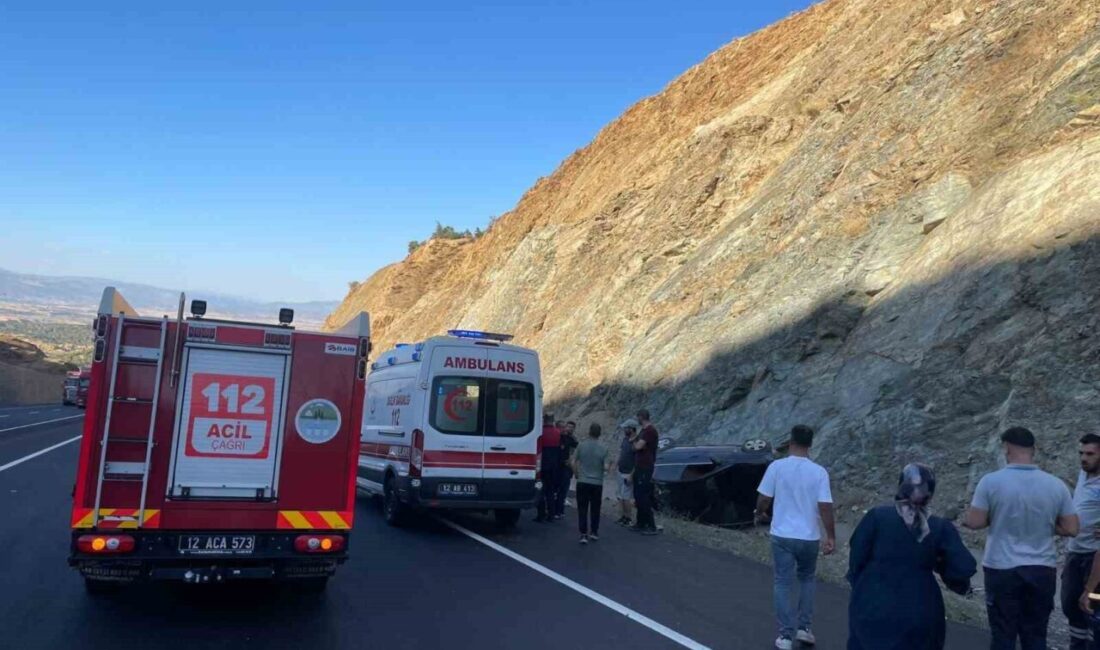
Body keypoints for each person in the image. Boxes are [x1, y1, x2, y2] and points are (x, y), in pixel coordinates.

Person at [965, 426, 1079, 650]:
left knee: (1003, 635)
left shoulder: (991, 482)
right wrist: (1045, 524)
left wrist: (996, 516)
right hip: (1041, 569)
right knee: (1035, 636)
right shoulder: (1056, 485)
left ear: (1006, 448)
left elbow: (975, 522)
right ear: (1033, 450)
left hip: (1001, 568)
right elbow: (1072, 528)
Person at [847, 463, 977, 649]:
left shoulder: (877, 517)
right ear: (930, 493)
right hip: (920, 606)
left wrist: (861, 585)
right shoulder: (939, 527)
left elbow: (856, 558)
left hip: (872, 601)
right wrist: (962, 586)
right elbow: (961, 568)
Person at [756, 424, 836, 650]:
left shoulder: (777, 467)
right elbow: (825, 506)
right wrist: (830, 536)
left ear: (790, 442)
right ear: (810, 445)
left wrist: (760, 513)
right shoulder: (819, 472)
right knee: (807, 579)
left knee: (782, 582)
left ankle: (785, 636)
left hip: (782, 535)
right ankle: (805, 629)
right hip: (809, 536)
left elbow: (764, 498)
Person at [1062, 434, 1100, 649]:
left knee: (1093, 605)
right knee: (1070, 604)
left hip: (1095, 558)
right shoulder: (1083, 474)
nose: (1084, 458)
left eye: (1090, 454)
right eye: (1081, 453)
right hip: (1075, 552)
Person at [573, 422, 611, 544]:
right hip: (597, 482)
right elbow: (606, 467)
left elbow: (573, 461)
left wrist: (576, 473)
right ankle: (594, 532)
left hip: (583, 481)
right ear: (600, 433)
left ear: (589, 432)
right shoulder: (604, 448)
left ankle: (583, 534)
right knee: (595, 508)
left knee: (582, 508)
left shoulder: (581, 445)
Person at [631, 409, 659, 535]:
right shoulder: (643, 431)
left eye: (638, 417)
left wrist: (634, 440)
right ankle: (640, 523)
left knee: (643, 496)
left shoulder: (649, 431)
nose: (637, 419)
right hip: (640, 466)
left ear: (641, 417)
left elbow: (637, 446)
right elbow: (636, 447)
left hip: (645, 466)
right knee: (638, 495)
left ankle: (651, 525)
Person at [534, 414, 562, 523]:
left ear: (544, 420)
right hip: (553, 466)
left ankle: (541, 514)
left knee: (540, 490)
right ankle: (551, 514)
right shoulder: (557, 433)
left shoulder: (540, 432)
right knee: (550, 491)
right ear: (553, 420)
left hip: (542, 465)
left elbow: (538, 450)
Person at [616, 419, 638, 526]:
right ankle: (624, 516)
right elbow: (621, 453)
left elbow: (637, 460)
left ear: (631, 429)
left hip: (628, 472)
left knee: (626, 497)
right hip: (621, 470)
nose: (624, 430)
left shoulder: (636, 442)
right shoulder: (625, 439)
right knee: (621, 495)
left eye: (626, 428)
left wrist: (631, 474)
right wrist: (616, 465)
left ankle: (628, 518)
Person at [556, 421, 579, 520]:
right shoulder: (560, 438)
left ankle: (559, 510)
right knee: (559, 489)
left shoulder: (573, 440)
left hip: (568, 468)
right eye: (568, 427)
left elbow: (575, 453)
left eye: (571, 427)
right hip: (560, 467)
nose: (569, 429)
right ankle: (556, 510)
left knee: (563, 490)